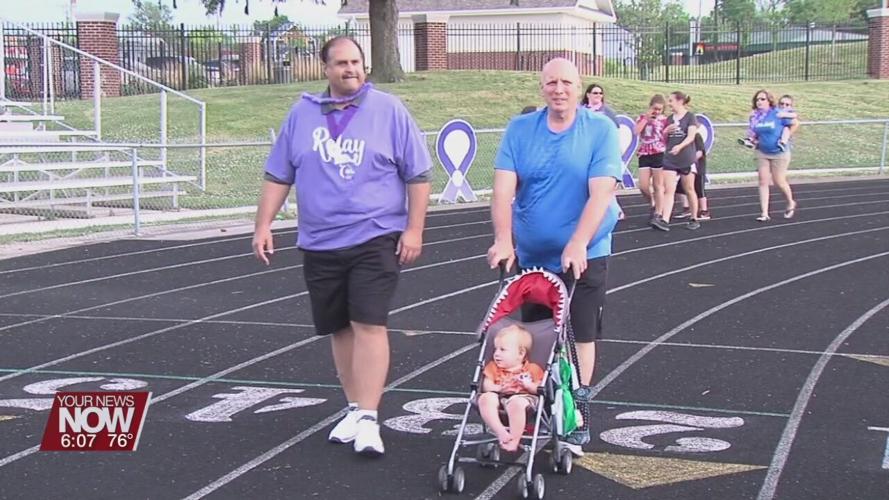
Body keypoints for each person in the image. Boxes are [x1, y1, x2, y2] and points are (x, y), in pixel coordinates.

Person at [252, 36, 432, 457]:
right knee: (339, 326)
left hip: (375, 235)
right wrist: (263, 225)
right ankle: (354, 407)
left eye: (356, 62)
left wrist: (414, 229)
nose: (350, 69)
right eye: (341, 63)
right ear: (326, 69)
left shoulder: (389, 110)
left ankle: (369, 418)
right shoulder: (301, 114)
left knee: (369, 321)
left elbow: (418, 175)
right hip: (320, 240)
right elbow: (279, 175)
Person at [487, 58, 622, 451]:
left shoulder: (600, 129)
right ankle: (529, 406)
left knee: (579, 332)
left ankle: (577, 413)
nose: (559, 89)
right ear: (541, 87)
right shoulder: (520, 129)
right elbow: (502, 190)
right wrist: (503, 239)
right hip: (531, 253)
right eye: (551, 83)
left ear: (578, 88)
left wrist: (579, 241)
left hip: (585, 251)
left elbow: (601, 192)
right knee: (530, 335)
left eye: (566, 82)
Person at [478, 325, 546, 452]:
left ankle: (514, 439)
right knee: (485, 398)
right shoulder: (493, 367)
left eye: (502, 350)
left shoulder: (532, 369)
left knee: (516, 404)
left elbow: (539, 388)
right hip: (499, 396)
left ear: (520, 353)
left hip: (524, 397)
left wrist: (528, 385)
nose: (496, 354)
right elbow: (486, 385)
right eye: (495, 349)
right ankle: (500, 431)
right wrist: (498, 388)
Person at [748, 89, 800, 222]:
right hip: (762, 152)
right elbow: (754, 133)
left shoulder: (777, 113)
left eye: (762, 99)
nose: (759, 102)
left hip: (779, 153)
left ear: (769, 101)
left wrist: (786, 137)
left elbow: (795, 123)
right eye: (757, 99)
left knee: (779, 181)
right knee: (763, 181)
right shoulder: (755, 116)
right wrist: (752, 140)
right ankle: (764, 213)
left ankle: (790, 202)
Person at [653, 91, 700, 231]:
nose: (669, 104)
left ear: (680, 101)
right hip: (670, 159)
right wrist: (666, 131)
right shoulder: (669, 119)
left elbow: (691, 136)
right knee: (669, 190)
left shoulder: (690, 117)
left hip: (686, 158)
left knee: (689, 189)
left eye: (671, 101)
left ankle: (694, 218)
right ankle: (665, 220)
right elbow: (663, 139)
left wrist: (680, 146)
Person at [634, 94, 668, 222]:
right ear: (650, 107)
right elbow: (636, 131)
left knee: (658, 185)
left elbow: (666, 136)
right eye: (655, 108)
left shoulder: (664, 120)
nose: (657, 111)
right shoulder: (642, 118)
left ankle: (658, 213)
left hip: (658, 153)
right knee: (643, 186)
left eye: (659, 109)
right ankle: (652, 202)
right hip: (645, 153)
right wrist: (646, 119)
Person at [675, 130, 710, 220]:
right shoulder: (680, 138)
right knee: (679, 188)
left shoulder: (696, 136)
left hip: (698, 168)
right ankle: (687, 208)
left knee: (699, 189)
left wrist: (689, 160)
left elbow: (699, 153)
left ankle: (704, 211)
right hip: (685, 167)